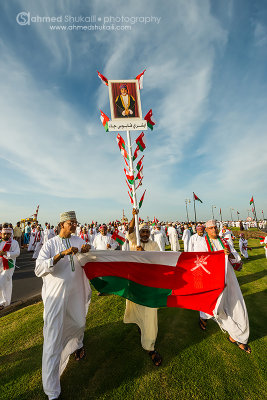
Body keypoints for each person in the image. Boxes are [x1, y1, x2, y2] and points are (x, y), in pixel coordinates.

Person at [35, 211, 91, 400]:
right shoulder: (50, 244)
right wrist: (60, 255)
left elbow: (84, 258)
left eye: (75, 222)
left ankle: (74, 346)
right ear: (61, 225)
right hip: (55, 298)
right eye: (71, 223)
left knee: (79, 324)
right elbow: (38, 269)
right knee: (52, 339)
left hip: (75, 295)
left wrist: (86, 250)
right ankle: (52, 392)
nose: (74, 225)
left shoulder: (77, 240)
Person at [195, 220, 251, 353]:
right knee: (214, 306)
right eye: (211, 228)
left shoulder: (225, 242)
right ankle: (203, 318)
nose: (214, 230)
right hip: (212, 279)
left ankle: (237, 336)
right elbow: (200, 261)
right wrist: (219, 256)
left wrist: (230, 255)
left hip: (229, 278)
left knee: (235, 304)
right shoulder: (201, 243)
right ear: (206, 230)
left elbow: (236, 258)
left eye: (215, 227)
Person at [124, 208, 162, 367]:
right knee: (138, 310)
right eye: (143, 232)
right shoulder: (134, 241)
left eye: (147, 232)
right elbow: (130, 229)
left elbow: (159, 263)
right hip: (135, 285)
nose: (145, 234)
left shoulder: (154, 245)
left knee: (150, 315)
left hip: (150, 285)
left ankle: (150, 347)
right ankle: (141, 327)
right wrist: (134, 216)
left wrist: (143, 255)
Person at [0, 224, 20, 310]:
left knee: (3, 282)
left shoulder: (14, 242)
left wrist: (5, 253)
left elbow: (17, 253)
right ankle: (4, 302)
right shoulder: (0, 242)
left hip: (9, 266)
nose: (6, 235)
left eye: (8, 234)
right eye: (5, 234)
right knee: (4, 284)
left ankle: (4, 303)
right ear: (1, 234)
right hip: (0, 265)